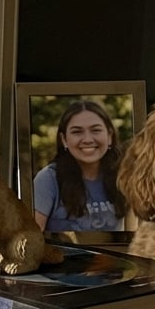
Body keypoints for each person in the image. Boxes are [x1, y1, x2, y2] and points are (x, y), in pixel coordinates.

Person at [31, 99, 126, 232]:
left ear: (109, 136)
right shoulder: (48, 179)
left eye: (95, 130)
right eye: (77, 132)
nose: (87, 139)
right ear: (64, 140)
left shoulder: (123, 177)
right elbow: (32, 239)